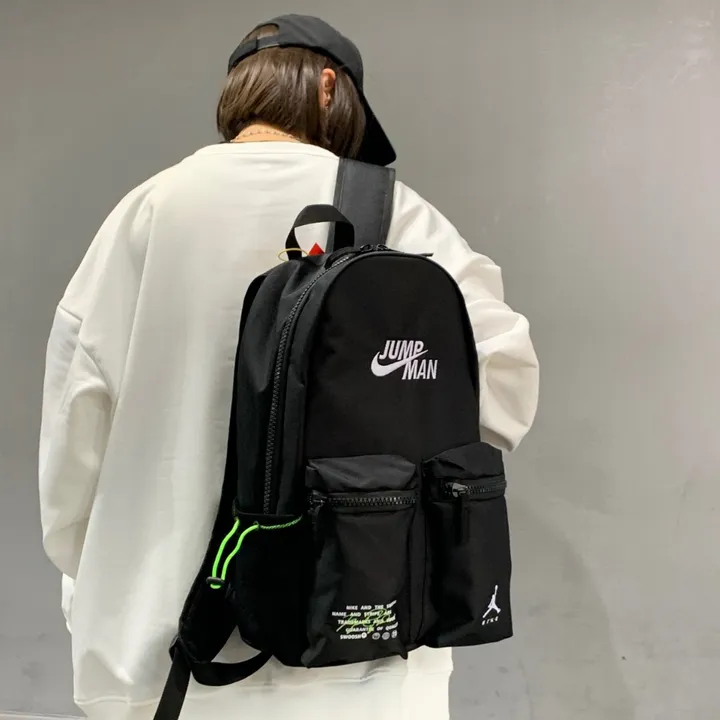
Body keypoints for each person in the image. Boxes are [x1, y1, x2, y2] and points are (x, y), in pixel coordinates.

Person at [39, 14, 539, 720]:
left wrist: (88, 579)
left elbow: (75, 424)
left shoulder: (146, 211)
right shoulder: (400, 216)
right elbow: (505, 384)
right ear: (330, 87)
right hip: (362, 646)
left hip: (163, 658)